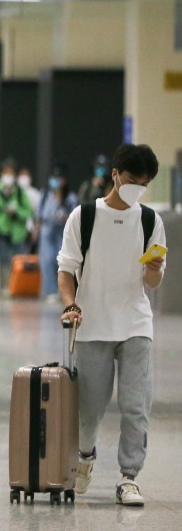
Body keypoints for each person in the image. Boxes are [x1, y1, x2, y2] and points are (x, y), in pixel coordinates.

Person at [58, 143, 166, 507]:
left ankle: (129, 477)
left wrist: (153, 271)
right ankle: (85, 455)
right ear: (115, 175)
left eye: (145, 183)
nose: (138, 188)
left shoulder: (151, 220)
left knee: (136, 406)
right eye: (133, 180)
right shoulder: (84, 216)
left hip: (135, 324)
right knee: (90, 407)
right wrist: (71, 304)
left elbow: (152, 284)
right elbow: (65, 270)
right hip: (92, 324)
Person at [0, 159, 33, 289]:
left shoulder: (20, 192)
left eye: (11, 173)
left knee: (18, 263)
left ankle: (18, 288)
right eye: (5, 172)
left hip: (18, 233)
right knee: (3, 262)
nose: (8, 176)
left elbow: (28, 212)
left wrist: (16, 212)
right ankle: (4, 288)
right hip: (2, 231)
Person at [36, 166, 78, 298]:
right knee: (46, 261)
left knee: (62, 262)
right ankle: (50, 291)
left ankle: (64, 291)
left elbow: (75, 217)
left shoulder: (70, 198)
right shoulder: (44, 196)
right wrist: (36, 233)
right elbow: (38, 216)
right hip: (47, 232)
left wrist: (64, 217)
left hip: (63, 232)